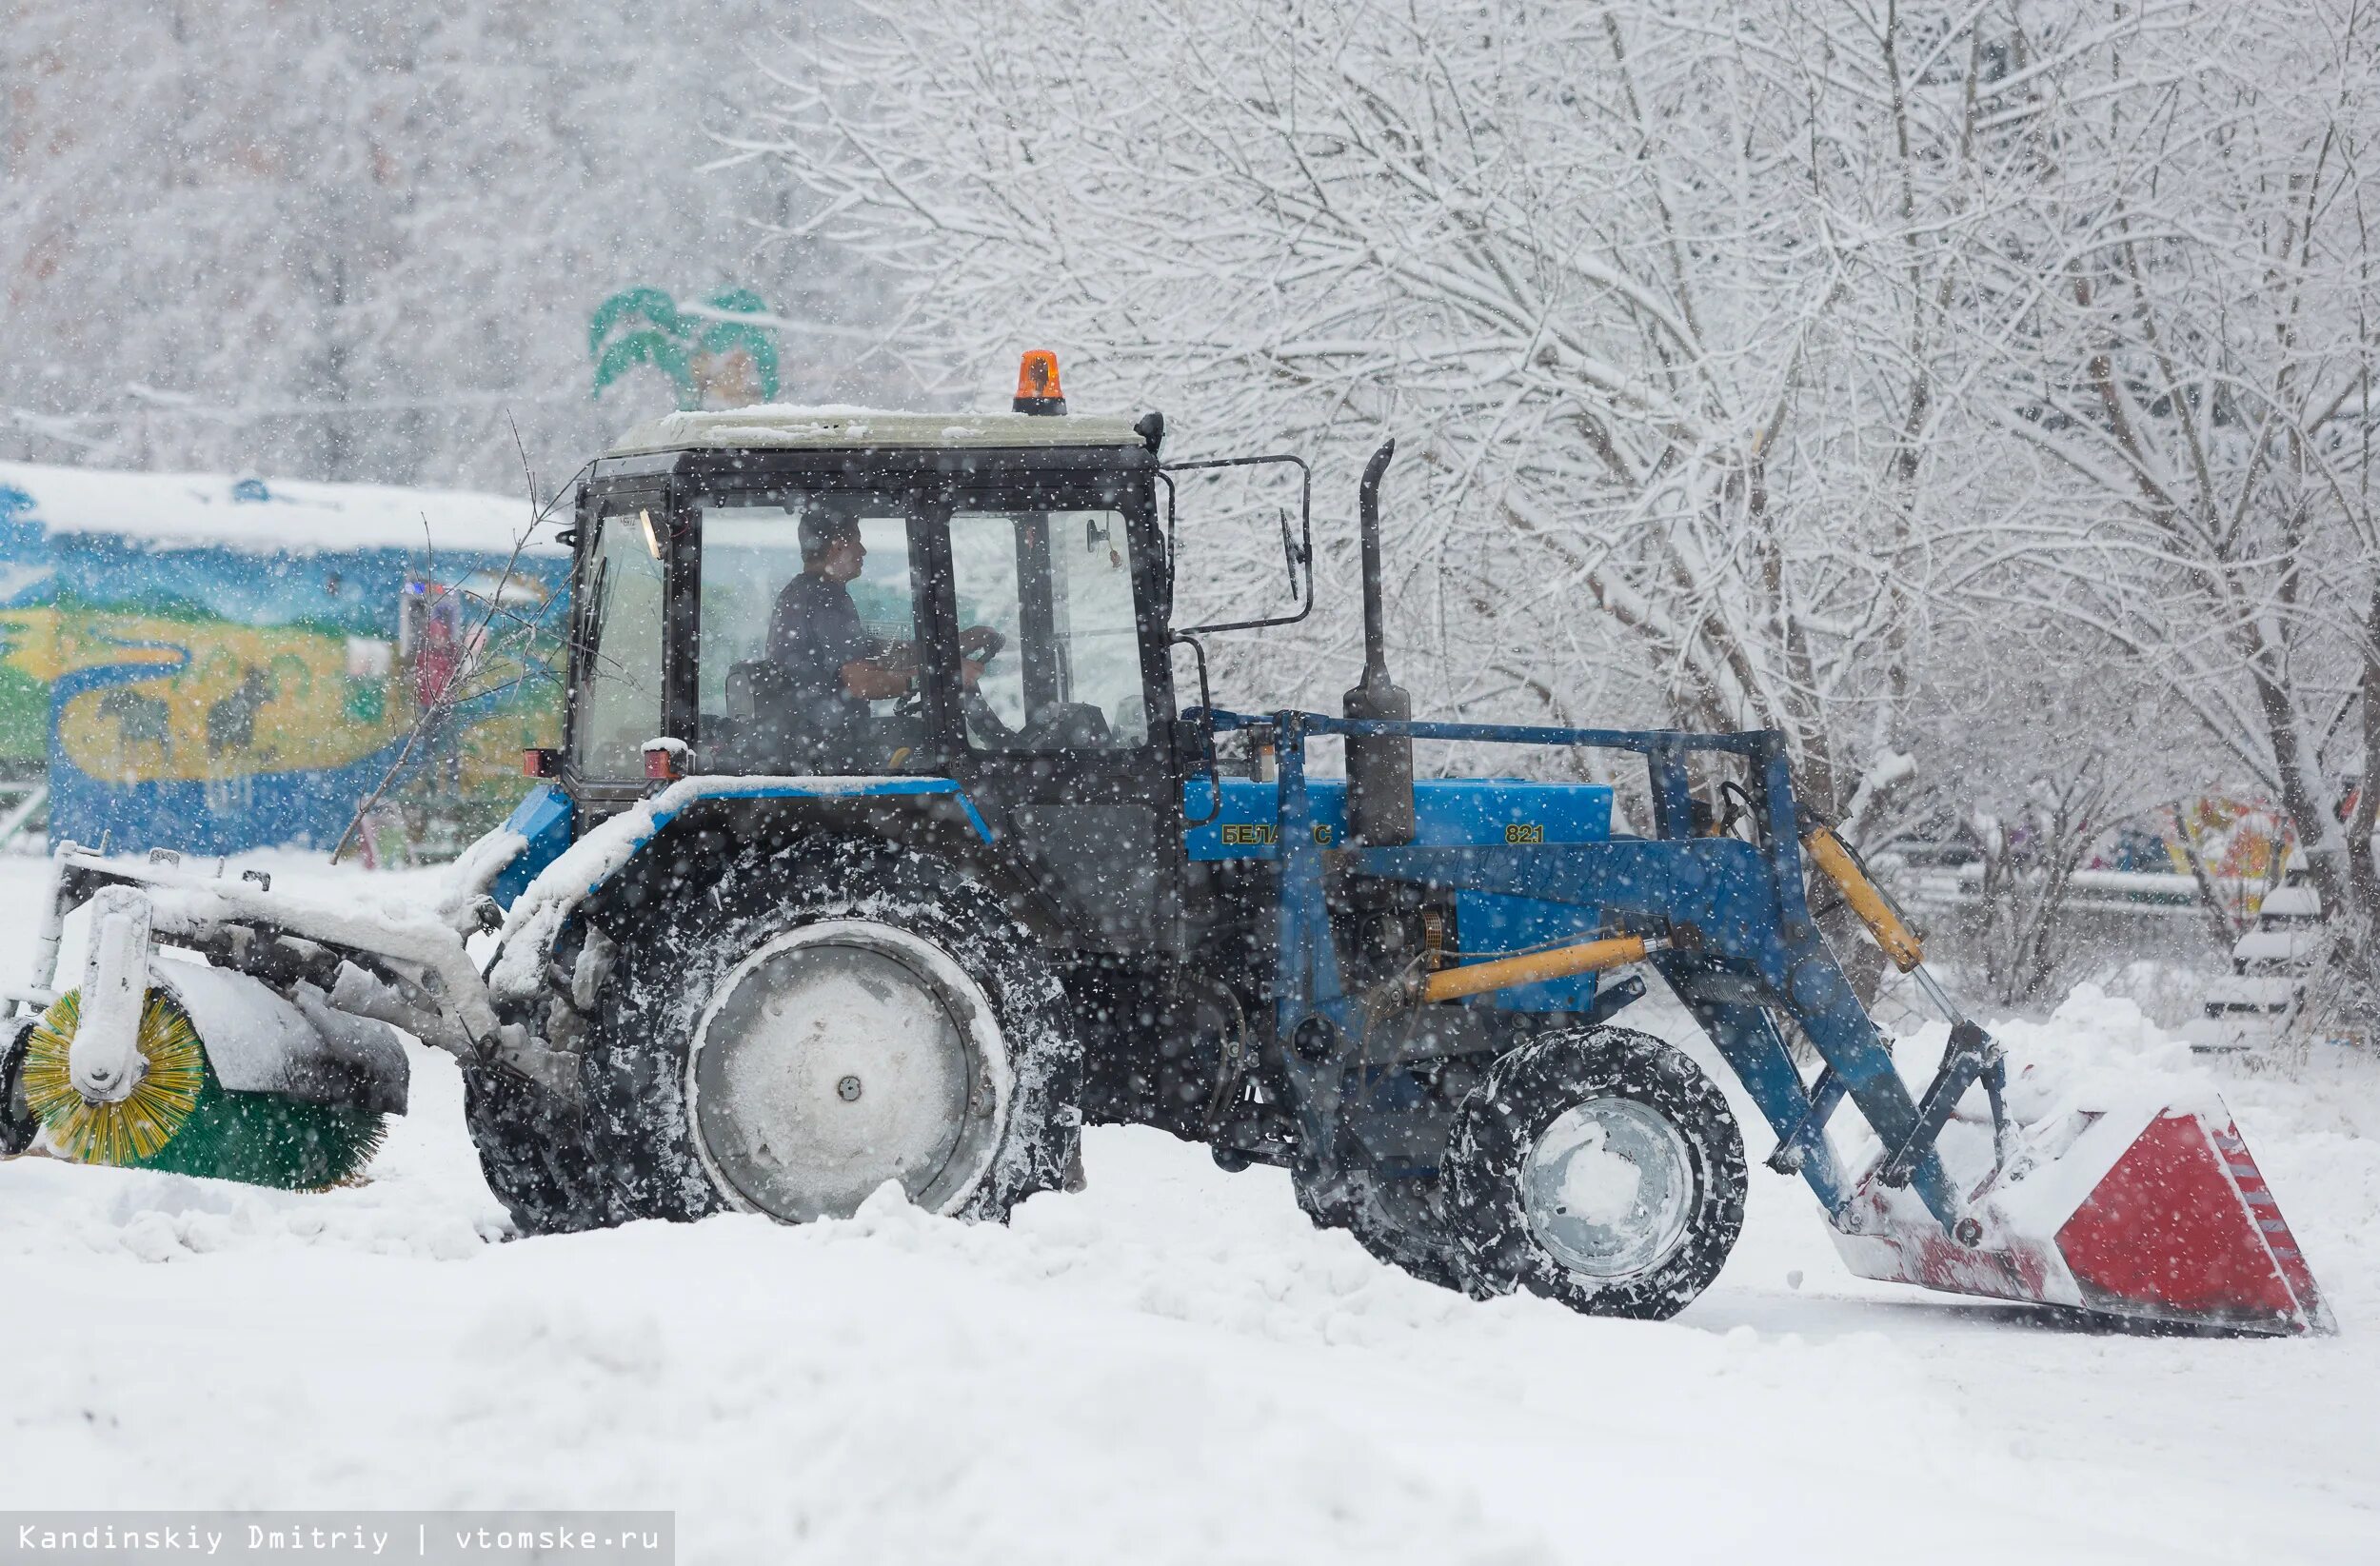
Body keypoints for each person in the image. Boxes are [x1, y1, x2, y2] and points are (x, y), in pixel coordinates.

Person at [764, 511, 996, 740]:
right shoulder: (826, 597)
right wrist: (939, 677)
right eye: (857, 541)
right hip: (831, 743)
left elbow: (878, 655)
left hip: (812, 737)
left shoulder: (799, 592)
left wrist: (952, 648)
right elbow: (860, 682)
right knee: (924, 739)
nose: (863, 551)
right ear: (837, 545)